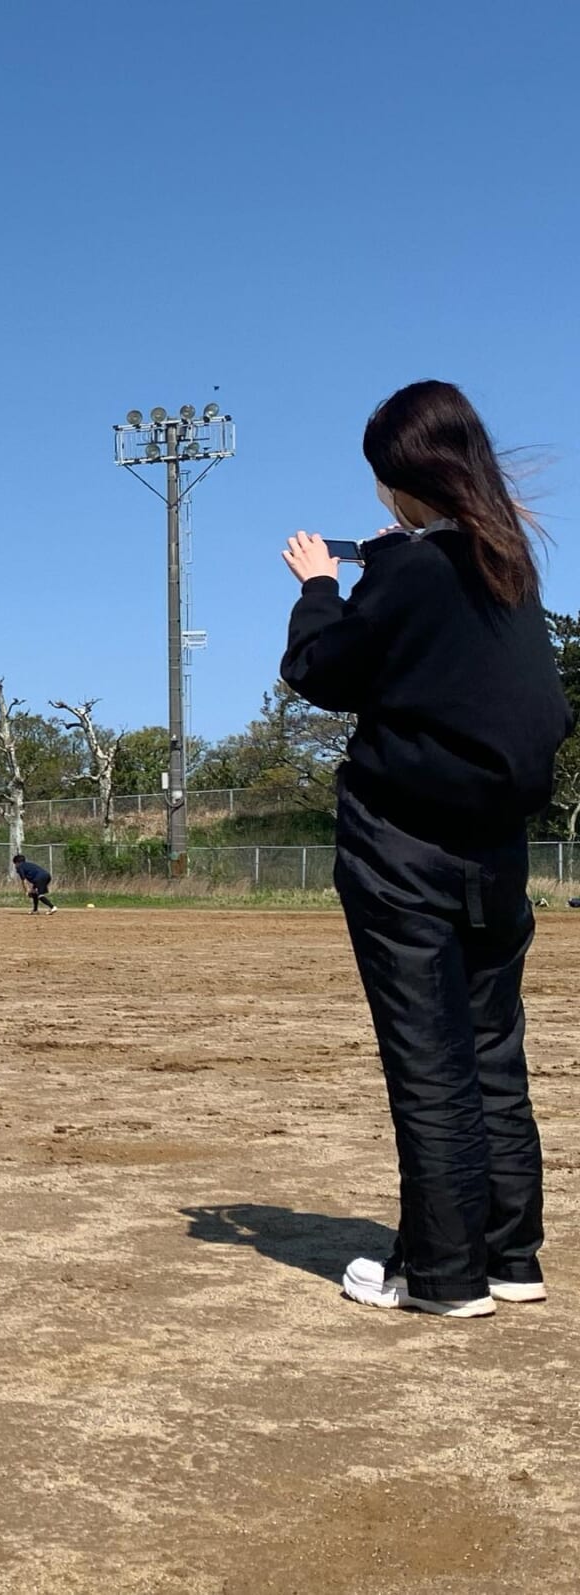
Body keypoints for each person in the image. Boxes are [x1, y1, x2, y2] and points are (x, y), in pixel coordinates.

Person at [280, 379, 572, 1319]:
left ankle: (442, 1276)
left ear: (403, 479)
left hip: (401, 847)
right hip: (495, 850)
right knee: (492, 1050)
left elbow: (321, 670)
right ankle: (510, 1255)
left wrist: (321, 585)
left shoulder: (408, 570)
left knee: (429, 1060)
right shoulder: (507, 563)